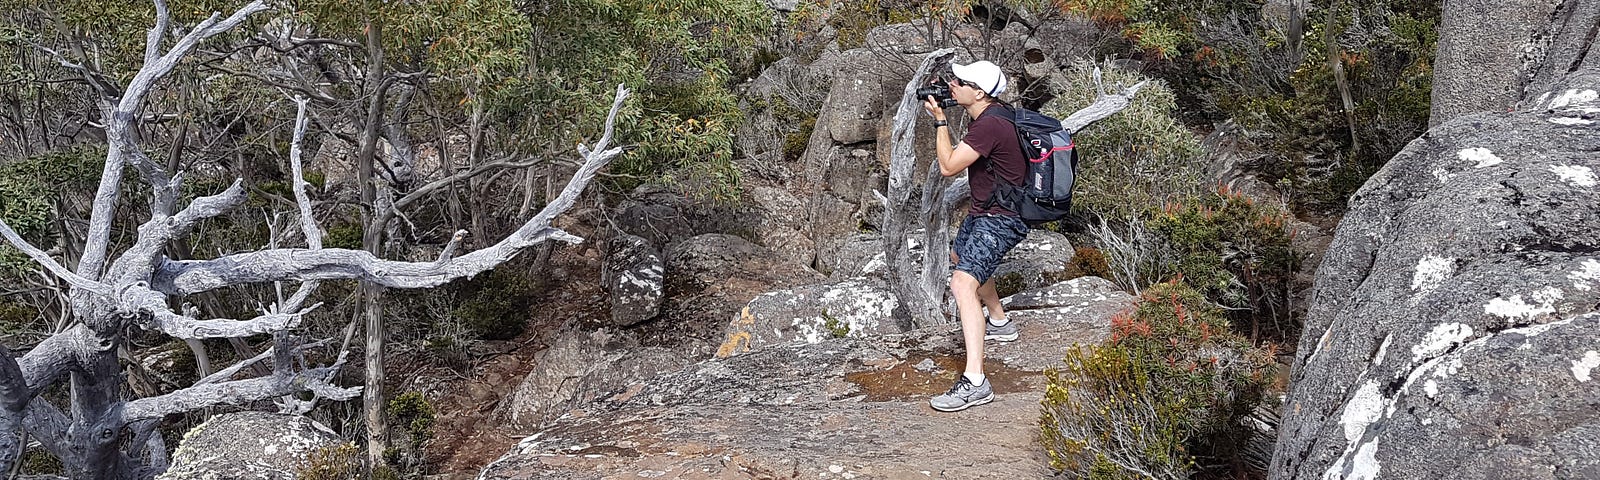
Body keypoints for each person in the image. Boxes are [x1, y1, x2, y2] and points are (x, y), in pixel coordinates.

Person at [922, 60, 1028, 412]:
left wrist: (940, 120)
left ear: (980, 92)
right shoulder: (994, 112)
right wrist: (949, 99)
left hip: (1002, 217)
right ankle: (999, 321)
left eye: (960, 81)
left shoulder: (989, 126)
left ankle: (976, 382)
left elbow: (949, 166)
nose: (954, 84)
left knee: (961, 283)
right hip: (987, 211)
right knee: (961, 258)